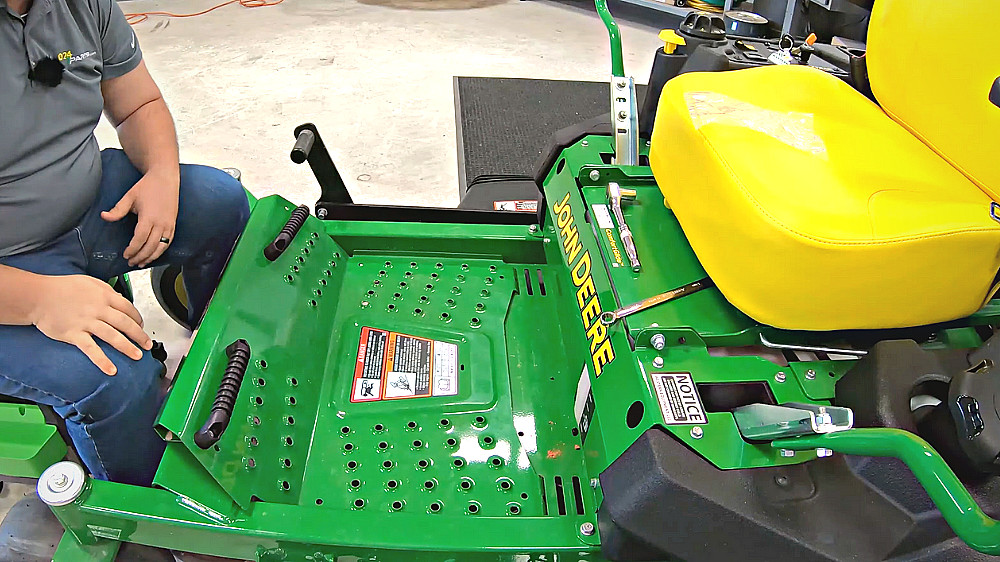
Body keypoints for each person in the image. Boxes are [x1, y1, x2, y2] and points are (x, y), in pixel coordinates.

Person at [0, 0, 250, 486]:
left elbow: (138, 104)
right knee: (115, 377)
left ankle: (215, 364)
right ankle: (148, 509)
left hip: (89, 202)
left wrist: (161, 172)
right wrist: (37, 299)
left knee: (220, 203)